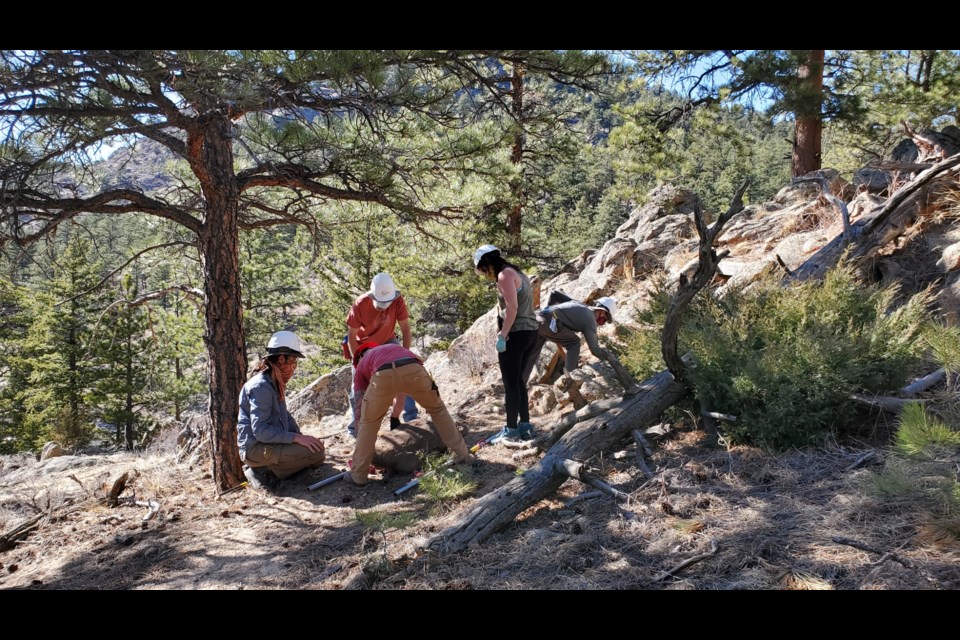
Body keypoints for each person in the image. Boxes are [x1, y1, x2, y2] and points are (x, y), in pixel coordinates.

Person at [346, 341, 472, 486]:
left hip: (382, 374)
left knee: (368, 424)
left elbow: (359, 410)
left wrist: (359, 437)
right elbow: (401, 393)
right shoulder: (393, 349)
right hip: (413, 366)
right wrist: (394, 416)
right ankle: (462, 455)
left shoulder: (362, 365)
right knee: (437, 410)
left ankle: (358, 476)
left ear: (360, 357)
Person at [237, 331, 326, 489]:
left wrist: (301, 437)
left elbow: (285, 416)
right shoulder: (261, 386)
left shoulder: (273, 382)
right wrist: (296, 439)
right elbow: (260, 431)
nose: (294, 367)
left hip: (266, 444)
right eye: (292, 360)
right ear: (280, 359)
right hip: (255, 448)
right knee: (315, 454)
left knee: (315, 449)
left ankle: (271, 469)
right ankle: (261, 472)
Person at [473, 244, 539, 443]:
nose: (485, 274)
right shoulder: (516, 272)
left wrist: (503, 335)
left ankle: (511, 430)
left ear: (487, 264)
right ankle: (525, 426)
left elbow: (512, 307)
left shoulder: (504, 276)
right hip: (531, 332)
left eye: (484, 270)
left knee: (510, 383)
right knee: (519, 381)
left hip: (516, 334)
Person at [344, 272, 419, 437]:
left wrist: (405, 355)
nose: (384, 305)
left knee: (404, 373)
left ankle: (411, 416)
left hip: (387, 340)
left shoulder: (397, 300)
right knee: (358, 384)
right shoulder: (360, 304)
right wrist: (359, 362)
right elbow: (351, 336)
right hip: (363, 346)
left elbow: (405, 329)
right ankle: (354, 429)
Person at [521, 295, 636, 389]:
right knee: (574, 343)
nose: (603, 322)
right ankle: (571, 380)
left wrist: (551, 314)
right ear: (602, 312)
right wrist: (609, 356)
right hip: (546, 323)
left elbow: (555, 293)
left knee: (531, 356)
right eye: (606, 319)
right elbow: (594, 350)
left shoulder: (580, 304)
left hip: (536, 318)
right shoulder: (590, 321)